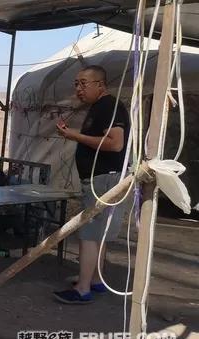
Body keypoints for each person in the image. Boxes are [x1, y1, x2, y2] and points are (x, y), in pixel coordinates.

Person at [54, 65, 130, 304]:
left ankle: (82, 289)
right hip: (101, 178)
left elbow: (115, 144)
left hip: (104, 179)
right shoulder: (99, 108)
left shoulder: (109, 106)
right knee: (99, 234)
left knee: (88, 234)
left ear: (100, 85)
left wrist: (74, 136)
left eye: (84, 83)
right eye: (76, 83)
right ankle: (95, 280)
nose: (78, 88)